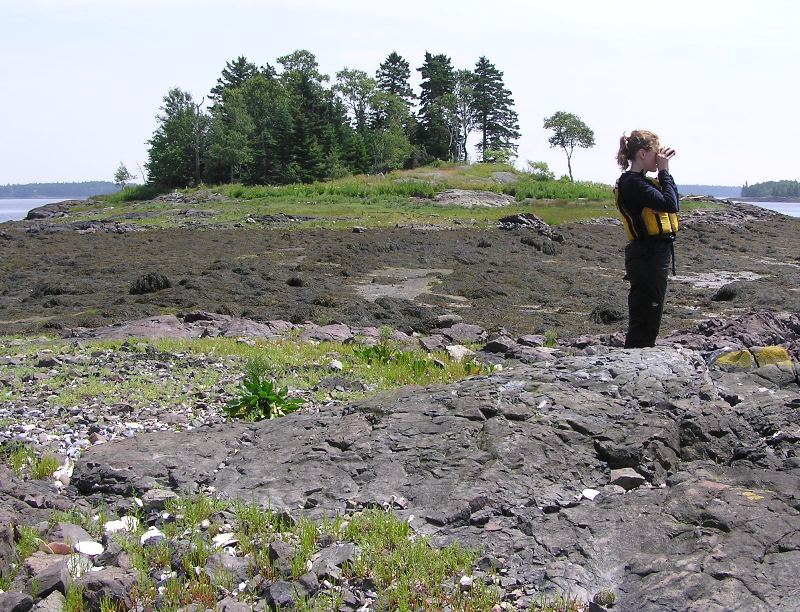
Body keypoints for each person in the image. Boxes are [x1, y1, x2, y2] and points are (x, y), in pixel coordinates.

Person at [615, 130, 678, 348]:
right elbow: (671, 205)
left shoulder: (640, 181)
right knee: (645, 314)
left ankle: (639, 356)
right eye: (656, 152)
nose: (659, 156)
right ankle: (635, 361)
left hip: (651, 255)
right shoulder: (633, 183)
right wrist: (664, 170)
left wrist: (663, 172)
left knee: (650, 312)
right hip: (646, 256)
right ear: (643, 154)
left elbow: (671, 202)